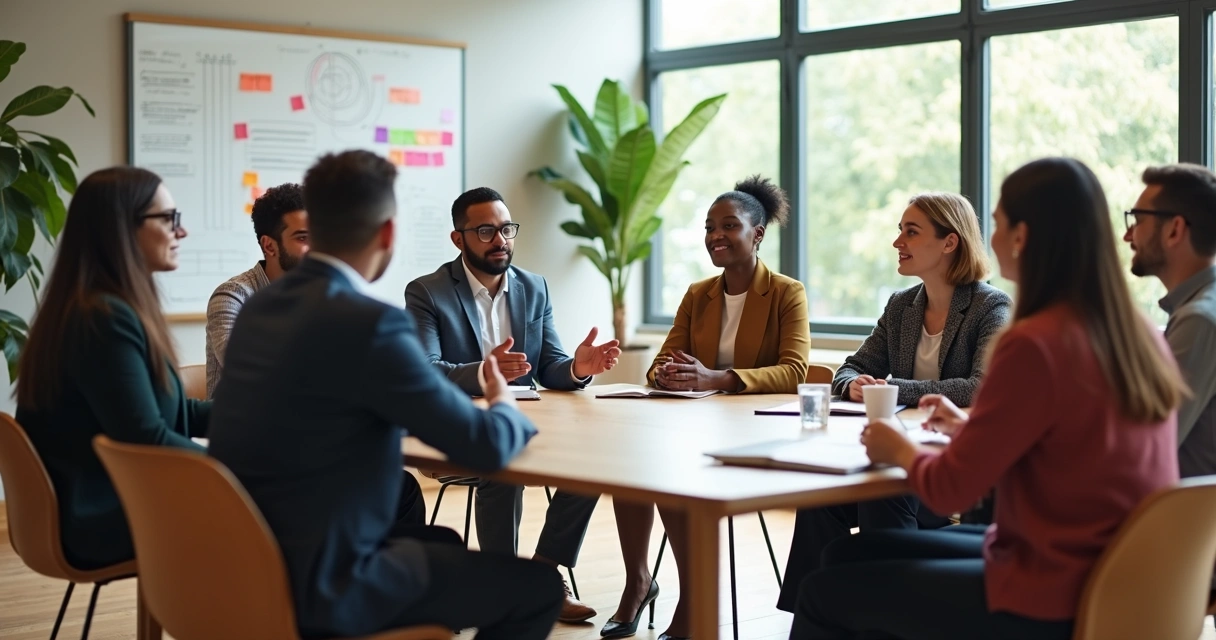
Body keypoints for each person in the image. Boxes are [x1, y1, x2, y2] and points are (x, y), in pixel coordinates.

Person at [789, 157, 1183, 640]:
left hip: (1051, 587)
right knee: (843, 555)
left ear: (1023, 236)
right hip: (1121, 576)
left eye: (996, 224)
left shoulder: (1033, 340)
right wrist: (968, 428)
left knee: (824, 591)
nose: (990, 239)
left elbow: (952, 491)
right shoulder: (1140, 332)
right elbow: (1063, 437)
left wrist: (898, 447)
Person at [207, 151, 563, 640]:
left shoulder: (259, 312)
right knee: (538, 587)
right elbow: (483, 446)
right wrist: (500, 396)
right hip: (330, 584)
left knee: (442, 542)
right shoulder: (371, 324)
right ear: (387, 234)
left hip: (247, 565)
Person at [777, 192, 1011, 612]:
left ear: (949, 242)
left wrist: (892, 387)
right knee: (818, 502)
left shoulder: (990, 307)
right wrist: (852, 385)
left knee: (881, 495)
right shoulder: (902, 306)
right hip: (894, 456)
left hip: (950, 470)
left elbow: (979, 389)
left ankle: (891, 612)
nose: (896, 241)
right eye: (900, 230)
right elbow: (848, 369)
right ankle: (814, 617)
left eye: (911, 231)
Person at [607, 175, 809, 640]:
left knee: (673, 471)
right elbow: (661, 361)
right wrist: (667, 375)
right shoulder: (700, 293)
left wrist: (716, 378)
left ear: (756, 234)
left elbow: (796, 370)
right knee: (628, 466)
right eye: (709, 226)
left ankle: (697, 597)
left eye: (729, 226)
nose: (715, 235)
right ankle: (639, 581)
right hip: (694, 422)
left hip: (754, 428)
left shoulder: (785, 293)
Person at [405, 186, 619, 623]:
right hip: (457, 427)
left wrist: (579, 367)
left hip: (527, 423)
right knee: (500, 469)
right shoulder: (427, 292)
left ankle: (541, 574)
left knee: (597, 461)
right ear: (458, 238)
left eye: (506, 228)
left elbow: (550, 366)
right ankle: (502, 588)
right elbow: (426, 371)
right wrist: (486, 371)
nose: (500, 239)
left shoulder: (534, 287)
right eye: (485, 231)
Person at [14, 166, 209, 570]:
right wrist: (240, 461)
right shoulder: (101, 318)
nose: (181, 232)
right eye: (169, 219)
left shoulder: (100, 306)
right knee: (276, 503)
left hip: (107, 502)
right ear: (122, 227)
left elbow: (174, 414)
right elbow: (145, 438)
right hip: (97, 515)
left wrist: (256, 419)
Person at [1124, 163, 1216, 478]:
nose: (1127, 235)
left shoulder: (1199, 320)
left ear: (1174, 229)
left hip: (1167, 522)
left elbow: (1145, 448)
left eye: (1136, 220)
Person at [205, 183, 309, 397]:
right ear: (269, 246)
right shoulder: (231, 296)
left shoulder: (318, 294)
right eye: (303, 238)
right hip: (238, 426)